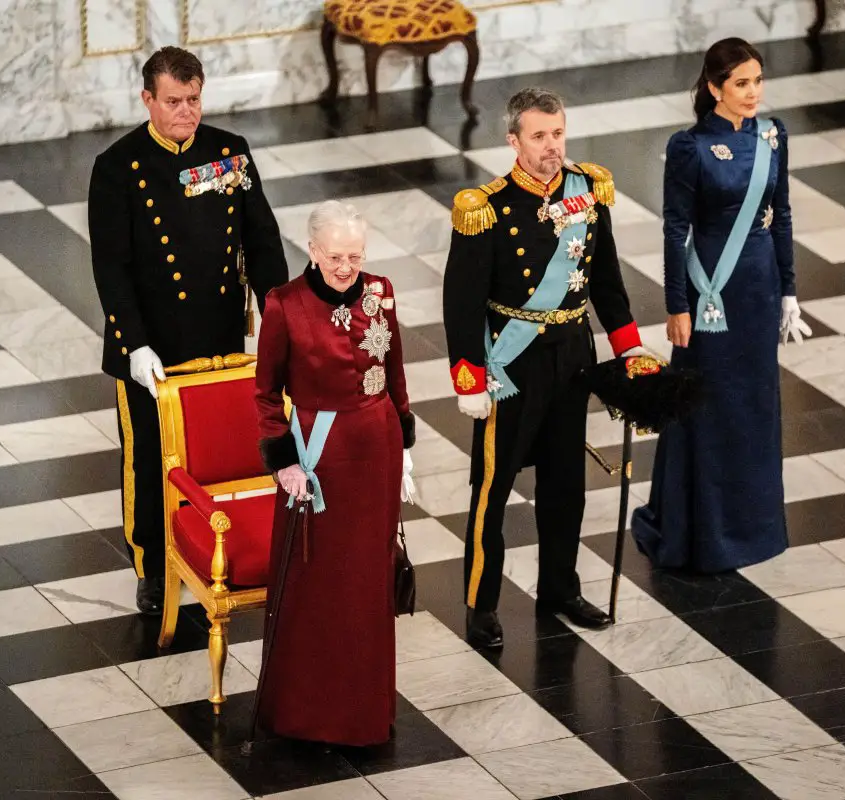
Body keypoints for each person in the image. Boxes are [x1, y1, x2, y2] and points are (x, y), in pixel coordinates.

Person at [443, 87, 653, 650]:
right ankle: (480, 605)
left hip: (571, 354)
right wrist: (468, 377)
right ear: (513, 141)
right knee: (494, 486)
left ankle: (559, 588)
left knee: (566, 484)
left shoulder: (587, 191)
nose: (551, 146)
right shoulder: (486, 208)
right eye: (538, 136)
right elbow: (461, 301)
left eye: (557, 133)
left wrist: (627, 346)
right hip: (511, 364)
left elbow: (605, 276)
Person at [89, 46, 290, 614]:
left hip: (217, 332)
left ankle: (202, 551)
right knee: (151, 458)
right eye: (173, 101)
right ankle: (153, 566)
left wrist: (281, 317)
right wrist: (132, 342)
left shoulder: (230, 153)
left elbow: (262, 240)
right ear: (147, 99)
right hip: (151, 343)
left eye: (194, 99)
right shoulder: (118, 167)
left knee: (204, 459)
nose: (186, 112)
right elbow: (112, 266)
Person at [632, 38, 812, 573]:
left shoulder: (774, 137)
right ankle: (701, 532)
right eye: (741, 83)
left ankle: (754, 529)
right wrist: (676, 304)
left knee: (754, 407)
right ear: (714, 88)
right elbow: (675, 231)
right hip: (711, 295)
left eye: (757, 81)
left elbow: (780, 216)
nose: (753, 92)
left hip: (757, 294)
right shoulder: (690, 148)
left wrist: (789, 291)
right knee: (706, 406)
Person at [253, 200, 415, 747]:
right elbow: (266, 393)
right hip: (319, 457)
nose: (348, 266)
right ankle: (307, 713)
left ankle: (364, 714)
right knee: (320, 584)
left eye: (356, 255)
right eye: (337, 256)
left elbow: (394, 367)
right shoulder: (284, 305)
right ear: (313, 251)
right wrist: (284, 463)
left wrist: (406, 442)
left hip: (379, 450)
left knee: (368, 583)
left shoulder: (381, 291)